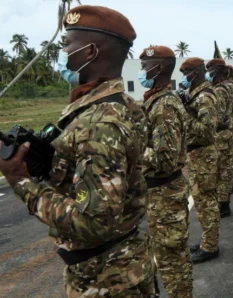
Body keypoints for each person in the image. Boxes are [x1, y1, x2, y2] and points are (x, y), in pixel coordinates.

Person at [0, 5, 157, 297]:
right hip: (114, 267)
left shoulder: (99, 123)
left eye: (67, 44)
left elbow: (94, 224)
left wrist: (20, 182)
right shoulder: (118, 104)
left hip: (106, 280)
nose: (63, 53)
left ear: (89, 53)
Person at [138, 45, 193, 297]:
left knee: (172, 261)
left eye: (144, 67)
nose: (141, 71)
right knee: (167, 256)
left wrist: (132, 152)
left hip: (165, 194)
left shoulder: (164, 106)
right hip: (159, 194)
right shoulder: (157, 100)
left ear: (158, 68)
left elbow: (164, 159)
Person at [179, 57, 220, 263]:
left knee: (206, 202)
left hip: (203, 154)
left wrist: (184, 115)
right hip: (197, 154)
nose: (183, 78)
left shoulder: (204, 96)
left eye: (185, 73)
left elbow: (207, 130)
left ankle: (210, 246)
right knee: (202, 201)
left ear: (194, 73)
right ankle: (207, 240)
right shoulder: (194, 94)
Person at [206, 58, 233, 218]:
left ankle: (223, 204)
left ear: (215, 72)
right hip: (223, 134)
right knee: (223, 170)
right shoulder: (220, 88)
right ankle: (223, 202)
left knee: (222, 171)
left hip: (220, 135)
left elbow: (219, 116)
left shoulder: (219, 91)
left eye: (209, 71)